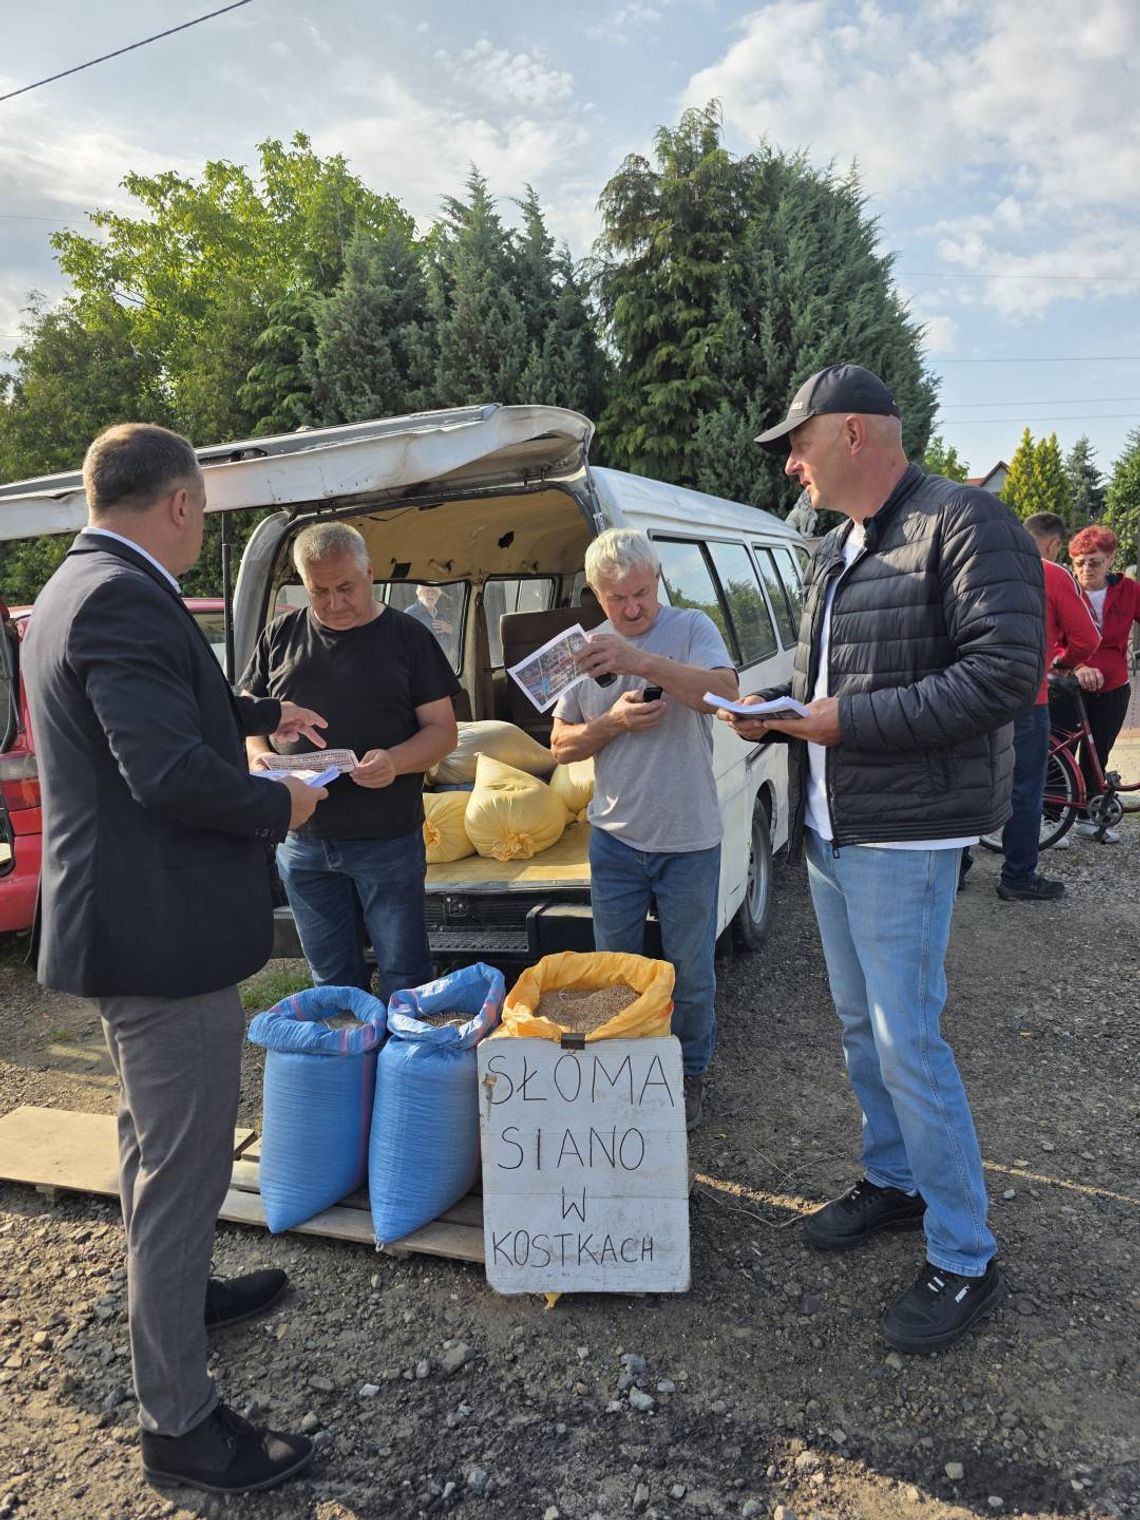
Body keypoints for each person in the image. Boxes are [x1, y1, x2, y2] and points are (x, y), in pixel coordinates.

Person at [21, 423, 329, 1495]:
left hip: (128, 924)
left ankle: (184, 1292)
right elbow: (164, 772)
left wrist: (256, 713)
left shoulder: (81, 581)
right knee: (184, 1160)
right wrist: (281, 801)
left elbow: (152, 712)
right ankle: (183, 1425)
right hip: (159, 937)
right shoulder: (121, 595)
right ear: (184, 504)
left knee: (155, 1144)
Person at [723, 364, 1044, 1353]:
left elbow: (1002, 674)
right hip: (833, 825)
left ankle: (963, 1250)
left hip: (904, 833)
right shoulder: (841, 545)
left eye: (799, 439)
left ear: (853, 431)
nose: (790, 459)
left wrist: (842, 721)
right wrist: (776, 716)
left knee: (910, 1038)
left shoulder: (962, 522)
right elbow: (828, 677)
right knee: (865, 1027)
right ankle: (897, 1180)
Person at [550, 528, 739, 1130]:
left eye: (640, 593)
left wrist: (638, 660)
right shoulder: (579, 653)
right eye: (614, 599)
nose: (631, 608)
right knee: (615, 971)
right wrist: (610, 723)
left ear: (657, 577)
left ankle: (690, 1077)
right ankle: (624, 1074)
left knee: (690, 972)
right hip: (615, 839)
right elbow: (559, 747)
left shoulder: (691, 627)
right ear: (594, 594)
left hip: (688, 837)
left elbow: (726, 695)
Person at [243, 523, 460, 998]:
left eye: (346, 587)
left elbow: (444, 732)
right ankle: (349, 1064)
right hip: (302, 842)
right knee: (330, 981)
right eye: (319, 591)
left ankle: (402, 1068)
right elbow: (250, 718)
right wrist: (260, 758)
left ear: (370, 572)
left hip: (386, 840)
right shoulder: (280, 635)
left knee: (405, 974)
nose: (335, 603)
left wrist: (396, 761)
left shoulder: (408, 637)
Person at [988, 513, 1099, 896]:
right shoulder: (1051, 573)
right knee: (1025, 788)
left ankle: (958, 870)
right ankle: (1018, 877)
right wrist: (1062, 662)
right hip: (1027, 697)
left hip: (974, 694)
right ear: (1053, 544)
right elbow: (1087, 638)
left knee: (973, 780)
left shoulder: (982, 566)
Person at [1056, 524, 1140, 842]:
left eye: (1095, 561)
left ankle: (1088, 816)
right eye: (1080, 562)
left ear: (1110, 559)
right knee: (1062, 751)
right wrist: (1076, 666)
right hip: (1067, 684)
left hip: (1113, 684)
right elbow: (1051, 638)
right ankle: (1052, 818)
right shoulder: (1064, 590)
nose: (1086, 569)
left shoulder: (1128, 590)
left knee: (1098, 753)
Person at [406, 582, 458, 664]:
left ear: (439, 595)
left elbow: (457, 641)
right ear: (419, 593)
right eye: (427, 591)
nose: (431, 594)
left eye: (434, 591)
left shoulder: (443, 615)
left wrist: (450, 630)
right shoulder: (410, 614)